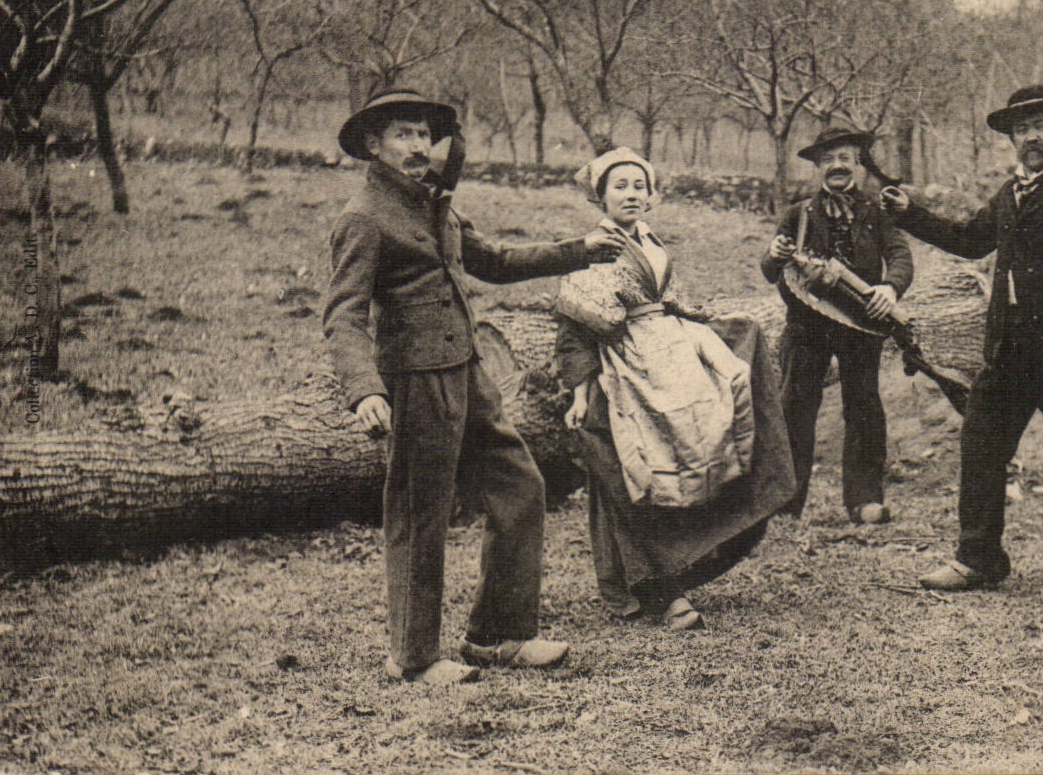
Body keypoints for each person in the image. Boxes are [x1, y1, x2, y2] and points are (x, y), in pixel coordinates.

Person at [323, 88, 626, 686]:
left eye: (422, 135)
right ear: (372, 146)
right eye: (403, 136)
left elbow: (496, 262)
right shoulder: (363, 218)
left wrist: (581, 251)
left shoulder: (437, 205)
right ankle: (415, 657)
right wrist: (364, 389)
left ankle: (499, 636)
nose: (417, 147)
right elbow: (342, 314)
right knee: (420, 513)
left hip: (468, 370)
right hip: (413, 382)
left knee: (521, 486)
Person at [881, 86, 1043, 599]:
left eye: (1039, 126)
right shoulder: (1009, 194)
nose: (1029, 138)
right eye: (1020, 130)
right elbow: (970, 240)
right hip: (1008, 352)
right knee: (981, 444)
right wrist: (910, 212)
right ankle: (978, 557)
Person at [555, 148, 796, 631]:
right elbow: (575, 330)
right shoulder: (594, 248)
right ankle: (655, 588)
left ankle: (682, 566)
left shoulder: (651, 242)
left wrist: (721, 327)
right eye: (619, 186)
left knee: (704, 438)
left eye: (639, 186)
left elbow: (675, 305)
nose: (632, 195)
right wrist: (579, 394)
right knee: (626, 472)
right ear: (599, 197)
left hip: (669, 354)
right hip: (622, 367)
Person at [761, 126, 914, 524]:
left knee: (864, 407)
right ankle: (785, 503)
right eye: (827, 160)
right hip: (806, 326)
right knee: (795, 406)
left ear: (859, 165)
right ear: (816, 169)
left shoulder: (876, 213)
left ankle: (865, 500)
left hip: (860, 327)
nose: (836, 167)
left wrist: (890, 288)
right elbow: (769, 270)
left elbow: (900, 257)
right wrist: (774, 253)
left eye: (845, 158)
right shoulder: (799, 214)